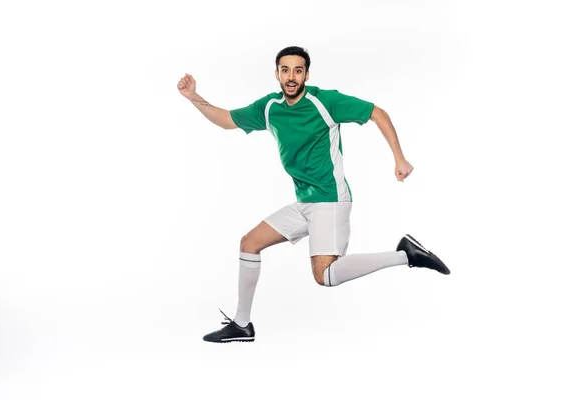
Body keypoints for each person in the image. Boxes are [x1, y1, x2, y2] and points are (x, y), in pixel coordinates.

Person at [177, 46, 450, 343]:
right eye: (285, 70)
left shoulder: (325, 101)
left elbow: (377, 113)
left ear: (307, 74)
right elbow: (228, 119)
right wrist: (193, 97)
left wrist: (399, 158)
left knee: (325, 276)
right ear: (277, 74)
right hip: (305, 201)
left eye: (298, 70)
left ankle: (404, 255)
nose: (291, 77)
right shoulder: (269, 107)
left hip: (330, 199)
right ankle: (242, 325)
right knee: (249, 243)